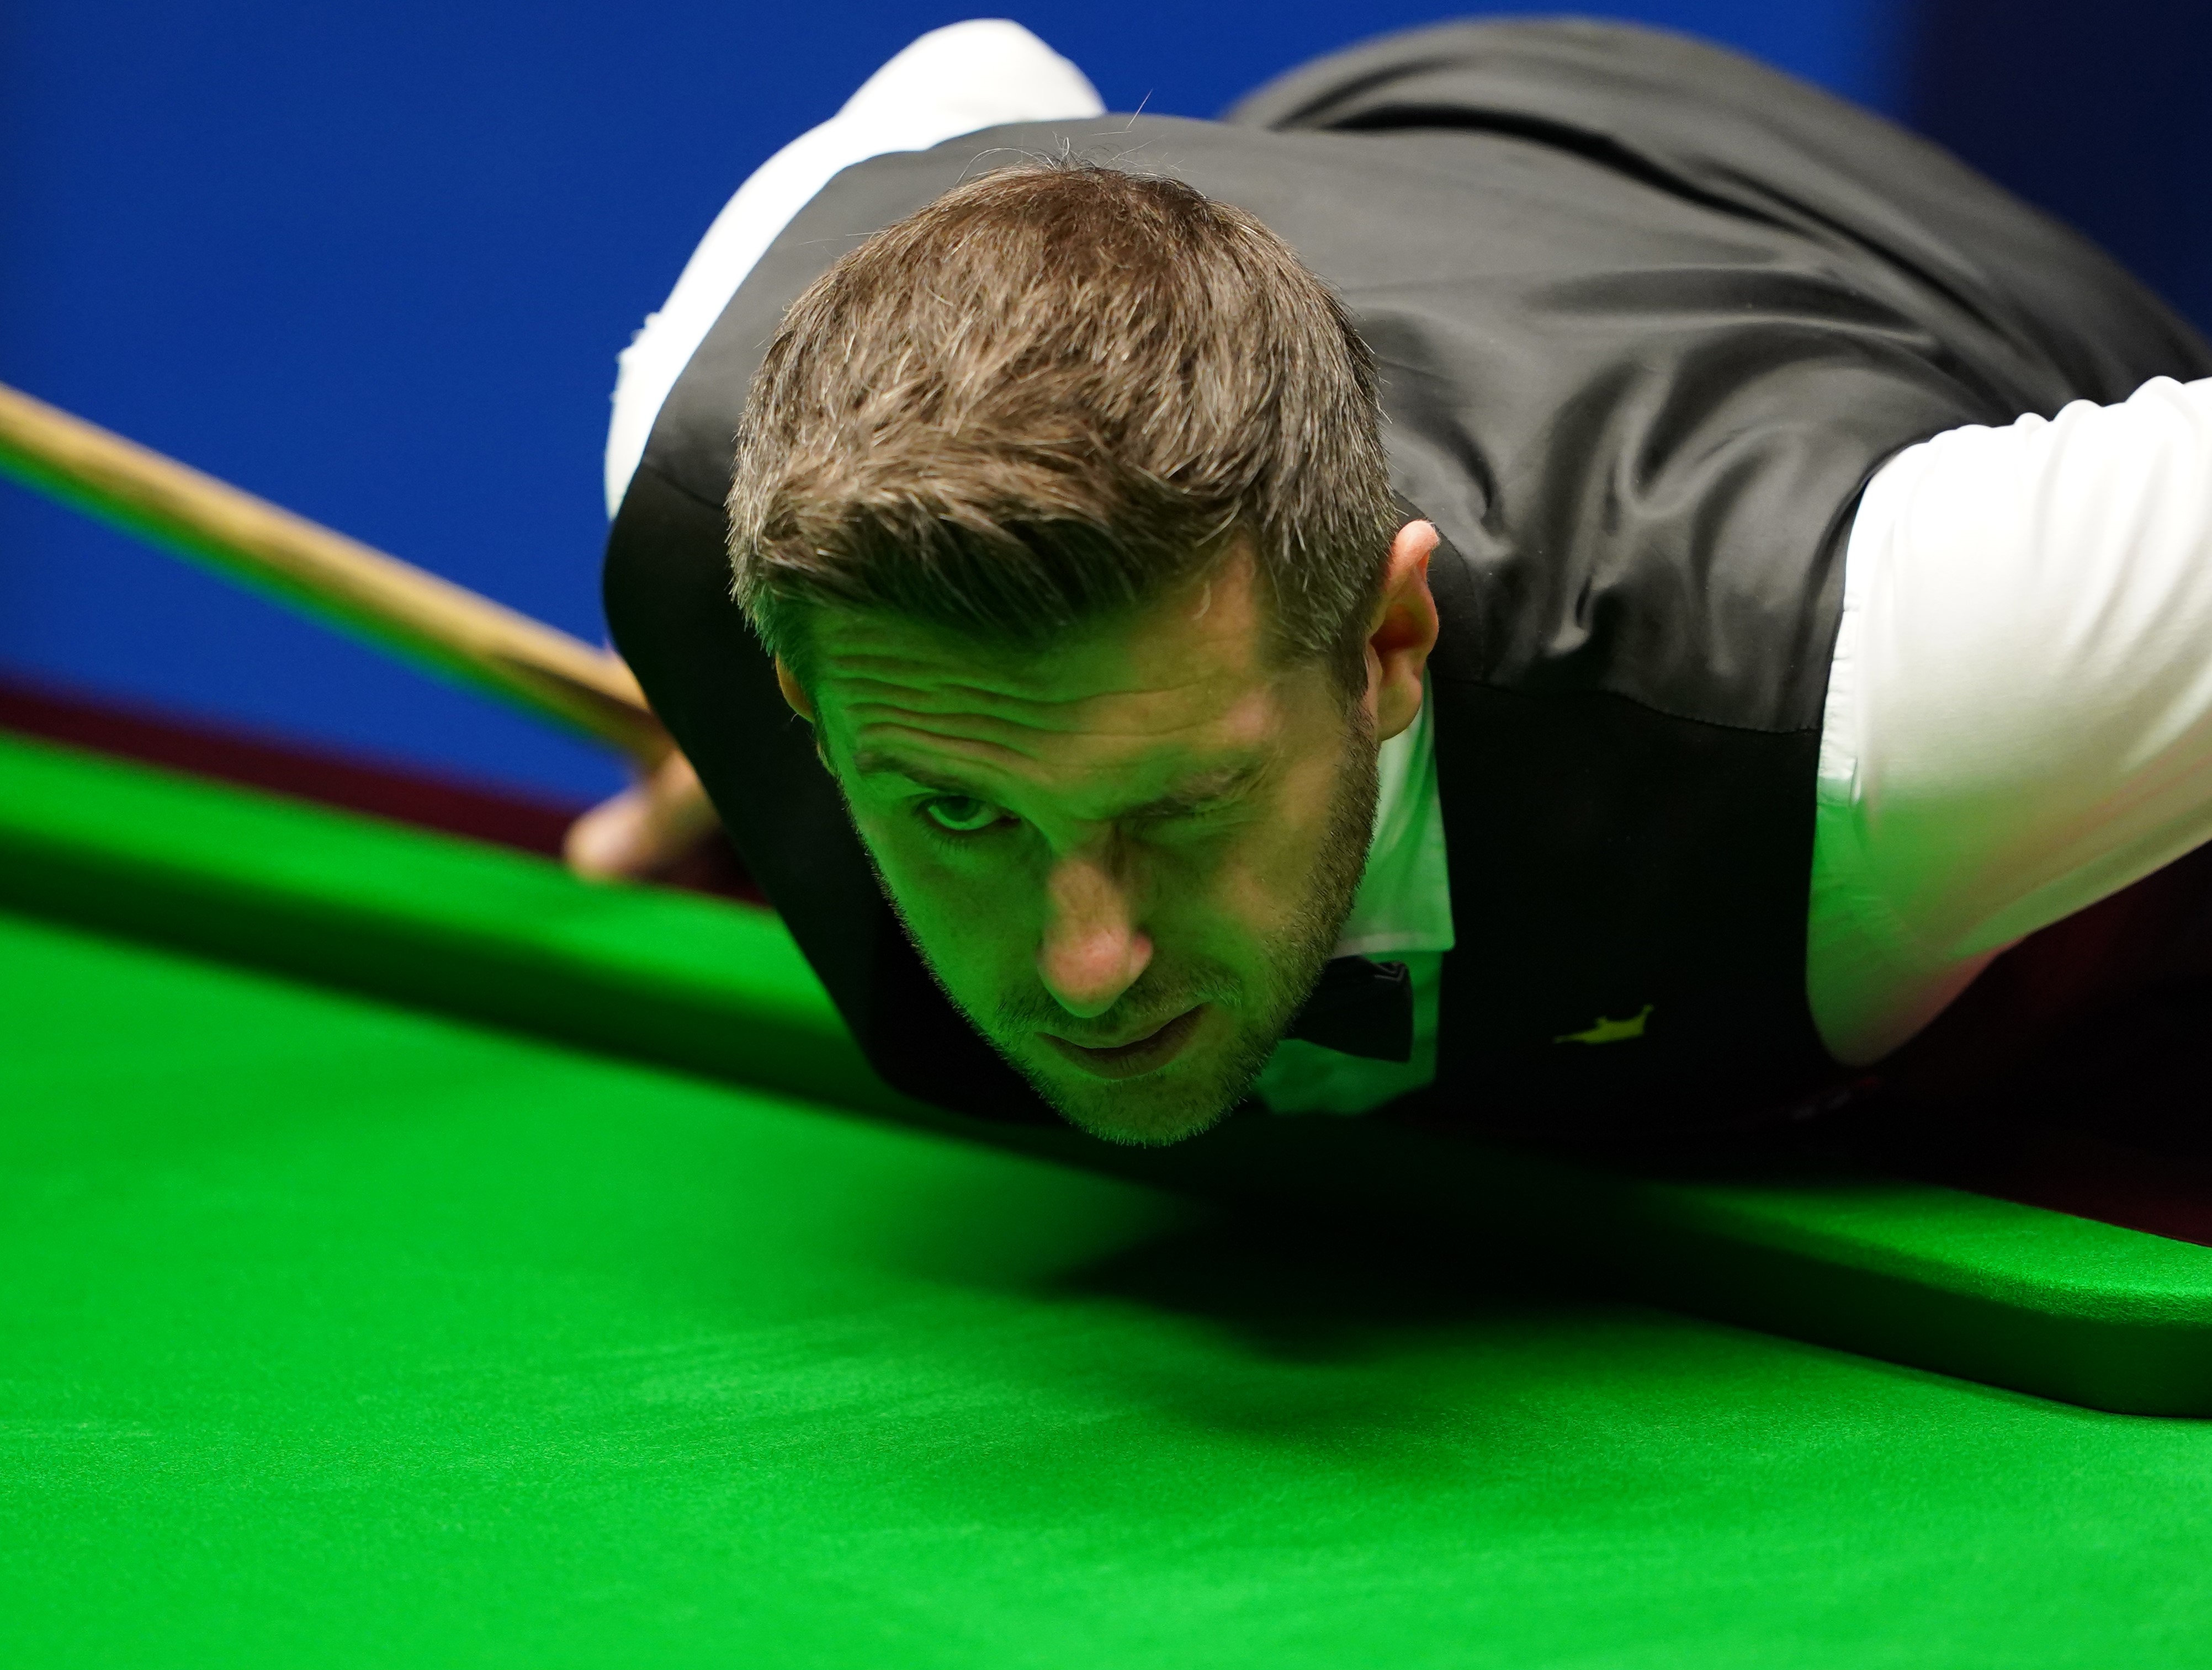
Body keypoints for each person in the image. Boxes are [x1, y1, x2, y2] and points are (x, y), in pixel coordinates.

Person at [581, 18, 2212, 1145]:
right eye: (961, 813)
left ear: (1386, 641)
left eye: (1182, 801)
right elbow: (980, 76)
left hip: (1924, 300)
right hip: (1404, 127)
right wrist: (797, 756)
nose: (1089, 962)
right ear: (796, 689)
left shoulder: (1887, 683)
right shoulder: (698, 489)